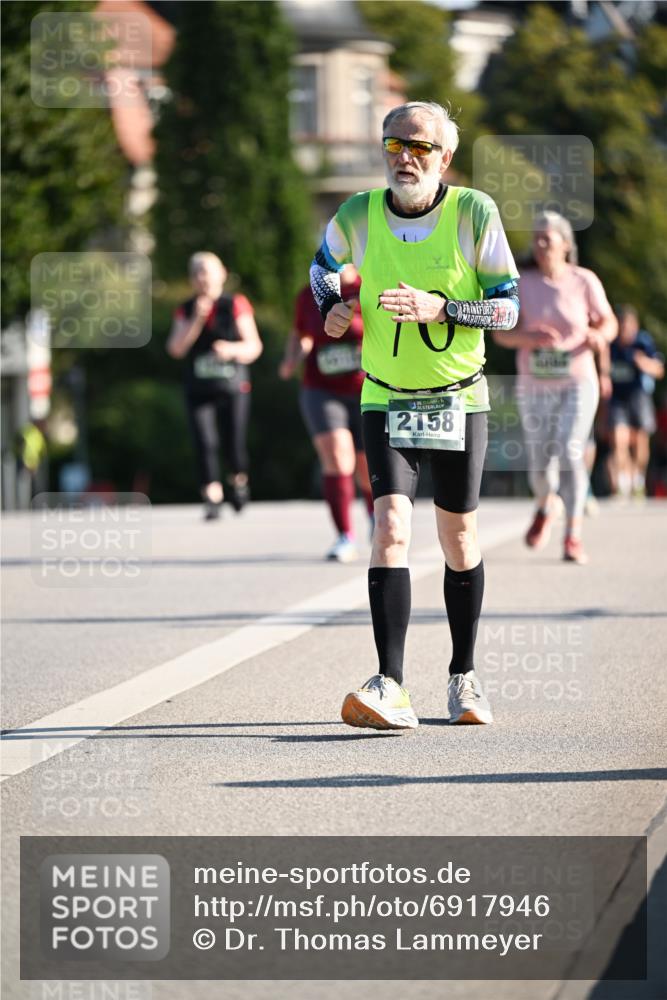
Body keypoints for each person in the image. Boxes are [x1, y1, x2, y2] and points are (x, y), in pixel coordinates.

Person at [310, 100, 520, 730]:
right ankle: (392, 685)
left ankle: (464, 675)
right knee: (391, 528)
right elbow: (321, 271)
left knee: (458, 539)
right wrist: (336, 305)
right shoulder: (358, 212)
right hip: (385, 394)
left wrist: (442, 308)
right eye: (395, 144)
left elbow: (509, 310)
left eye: (421, 147)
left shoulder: (473, 212)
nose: (406, 157)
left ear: (445, 157)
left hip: (458, 395)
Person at [493, 213, 617, 565]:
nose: (541, 245)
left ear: (566, 243)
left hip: (579, 381)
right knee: (539, 466)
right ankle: (546, 505)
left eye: (549, 239)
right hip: (535, 386)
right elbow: (500, 333)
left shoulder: (583, 280)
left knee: (570, 450)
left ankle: (573, 535)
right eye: (537, 239)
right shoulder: (521, 283)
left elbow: (608, 321)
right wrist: (527, 337)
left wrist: (599, 335)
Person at [279, 265, 374, 562]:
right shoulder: (309, 294)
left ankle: (376, 516)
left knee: (367, 466)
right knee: (336, 457)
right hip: (320, 389)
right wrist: (291, 359)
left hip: (367, 389)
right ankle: (345, 536)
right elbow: (300, 333)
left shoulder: (370, 286)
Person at [167, 252, 262, 519]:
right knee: (204, 441)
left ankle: (238, 480)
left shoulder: (235, 304)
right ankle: (212, 495)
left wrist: (231, 349)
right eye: (196, 272)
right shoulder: (186, 309)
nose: (202, 277)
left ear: (221, 274)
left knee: (234, 441)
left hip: (233, 386)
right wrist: (197, 319)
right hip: (199, 388)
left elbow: (254, 346)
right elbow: (175, 348)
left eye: (206, 271)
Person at [607, 306, 664, 499]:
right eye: (621, 326)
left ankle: (638, 478)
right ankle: (623, 482)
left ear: (635, 326)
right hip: (617, 398)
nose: (624, 331)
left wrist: (642, 362)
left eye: (628, 326)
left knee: (641, 441)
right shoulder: (611, 344)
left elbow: (659, 370)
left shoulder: (643, 342)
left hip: (638, 395)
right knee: (618, 439)